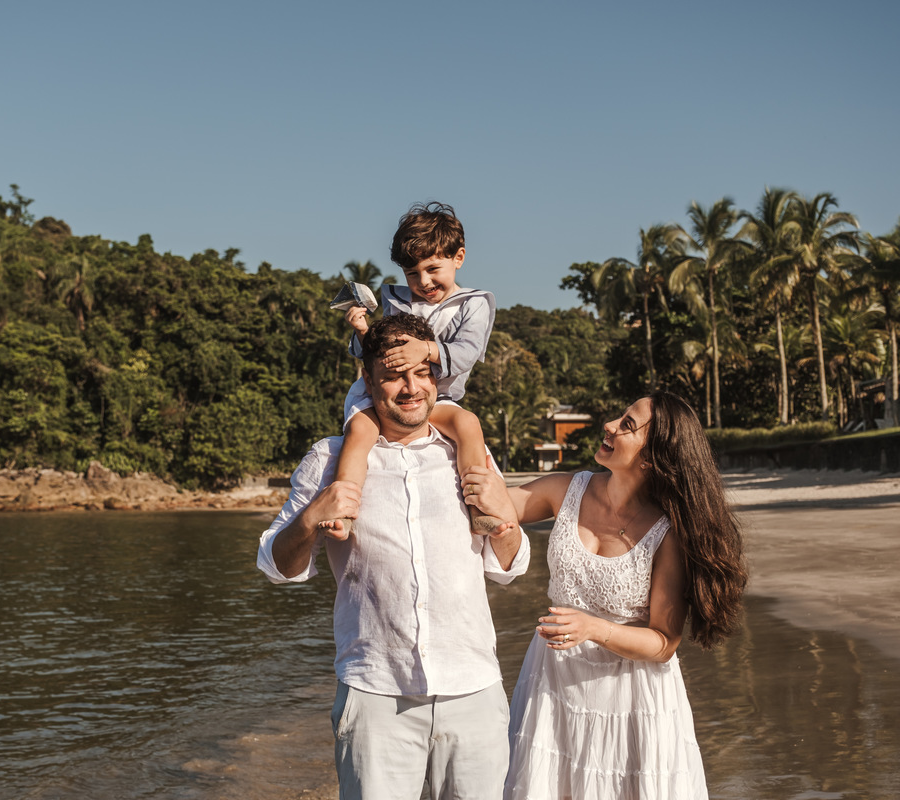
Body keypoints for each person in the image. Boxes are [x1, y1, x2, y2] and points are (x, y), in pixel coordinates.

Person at [257, 313, 529, 800]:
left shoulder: (468, 453)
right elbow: (277, 567)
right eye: (393, 375)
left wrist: (504, 516)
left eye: (422, 373)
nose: (411, 388)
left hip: (474, 690)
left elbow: (510, 566)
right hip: (375, 693)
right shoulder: (330, 459)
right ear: (367, 379)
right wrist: (311, 517)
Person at [460, 392, 747, 800]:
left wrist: (594, 628)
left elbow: (664, 642)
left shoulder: (668, 534)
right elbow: (500, 506)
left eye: (627, 425)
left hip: (631, 700)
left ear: (652, 458)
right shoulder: (567, 489)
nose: (610, 425)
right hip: (553, 682)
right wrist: (463, 430)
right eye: (619, 417)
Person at [322, 202, 499, 537]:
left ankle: (478, 509)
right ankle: (343, 510)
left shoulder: (473, 304)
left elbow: (466, 353)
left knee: (468, 424)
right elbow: (376, 352)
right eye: (413, 273)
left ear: (458, 258)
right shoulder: (395, 299)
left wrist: (426, 350)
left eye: (433, 269)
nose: (424, 281)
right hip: (385, 394)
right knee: (360, 431)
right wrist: (362, 331)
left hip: (439, 397)